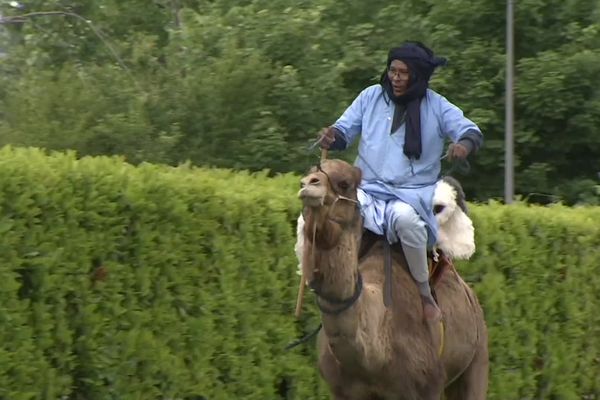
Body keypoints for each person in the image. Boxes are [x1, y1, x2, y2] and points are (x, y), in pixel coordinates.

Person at [318, 41, 483, 323]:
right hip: (367, 191)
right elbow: (344, 129)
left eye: (403, 73)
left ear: (417, 75)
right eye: (392, 71)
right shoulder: (370, 97)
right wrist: (333, 135)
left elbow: (469, 130)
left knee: (405, 221)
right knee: (330, 209)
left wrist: (463, 145)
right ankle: (328, 281)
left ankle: (424, 293)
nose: (395, 77)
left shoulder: (437, 106)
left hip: (411, 196)